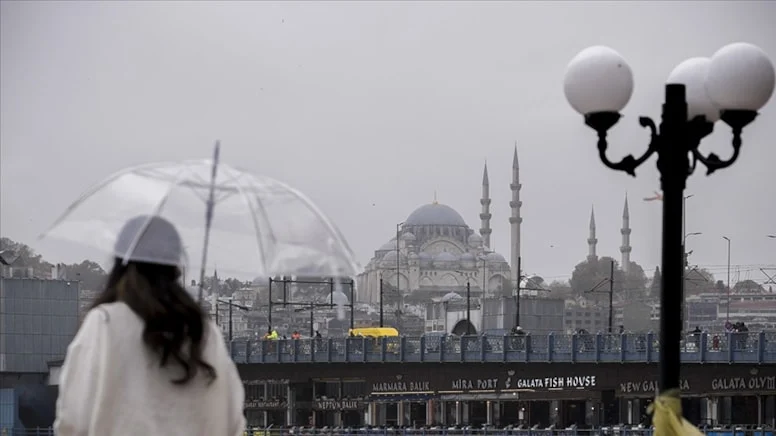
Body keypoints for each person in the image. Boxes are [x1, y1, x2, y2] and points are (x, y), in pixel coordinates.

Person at [54, 215, 246, 436]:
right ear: (175, 266)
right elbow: (233, 422)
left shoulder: (104, 324)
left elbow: (72, 418)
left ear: (121, 264)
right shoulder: (204, 332)